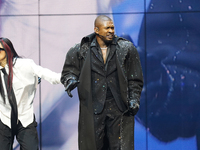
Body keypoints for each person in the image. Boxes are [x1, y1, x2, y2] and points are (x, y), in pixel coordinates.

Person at [61, 15, 143, 150]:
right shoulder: (81, 49)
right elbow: (69, 71)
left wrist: (134, 99)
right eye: (107, 28)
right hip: (94, 108)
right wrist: (70, 80)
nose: (111, 31)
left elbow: (135, 79)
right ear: (96, 30)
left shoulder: (126, 48)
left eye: (112, 28)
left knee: (120, 146)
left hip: (119, 107)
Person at [0, 37, 61, 150]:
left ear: (8, 50)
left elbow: (48, 74)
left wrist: (65, 78)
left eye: (0, 50)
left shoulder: (24, 65)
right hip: (3, 118)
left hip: (24, 118)